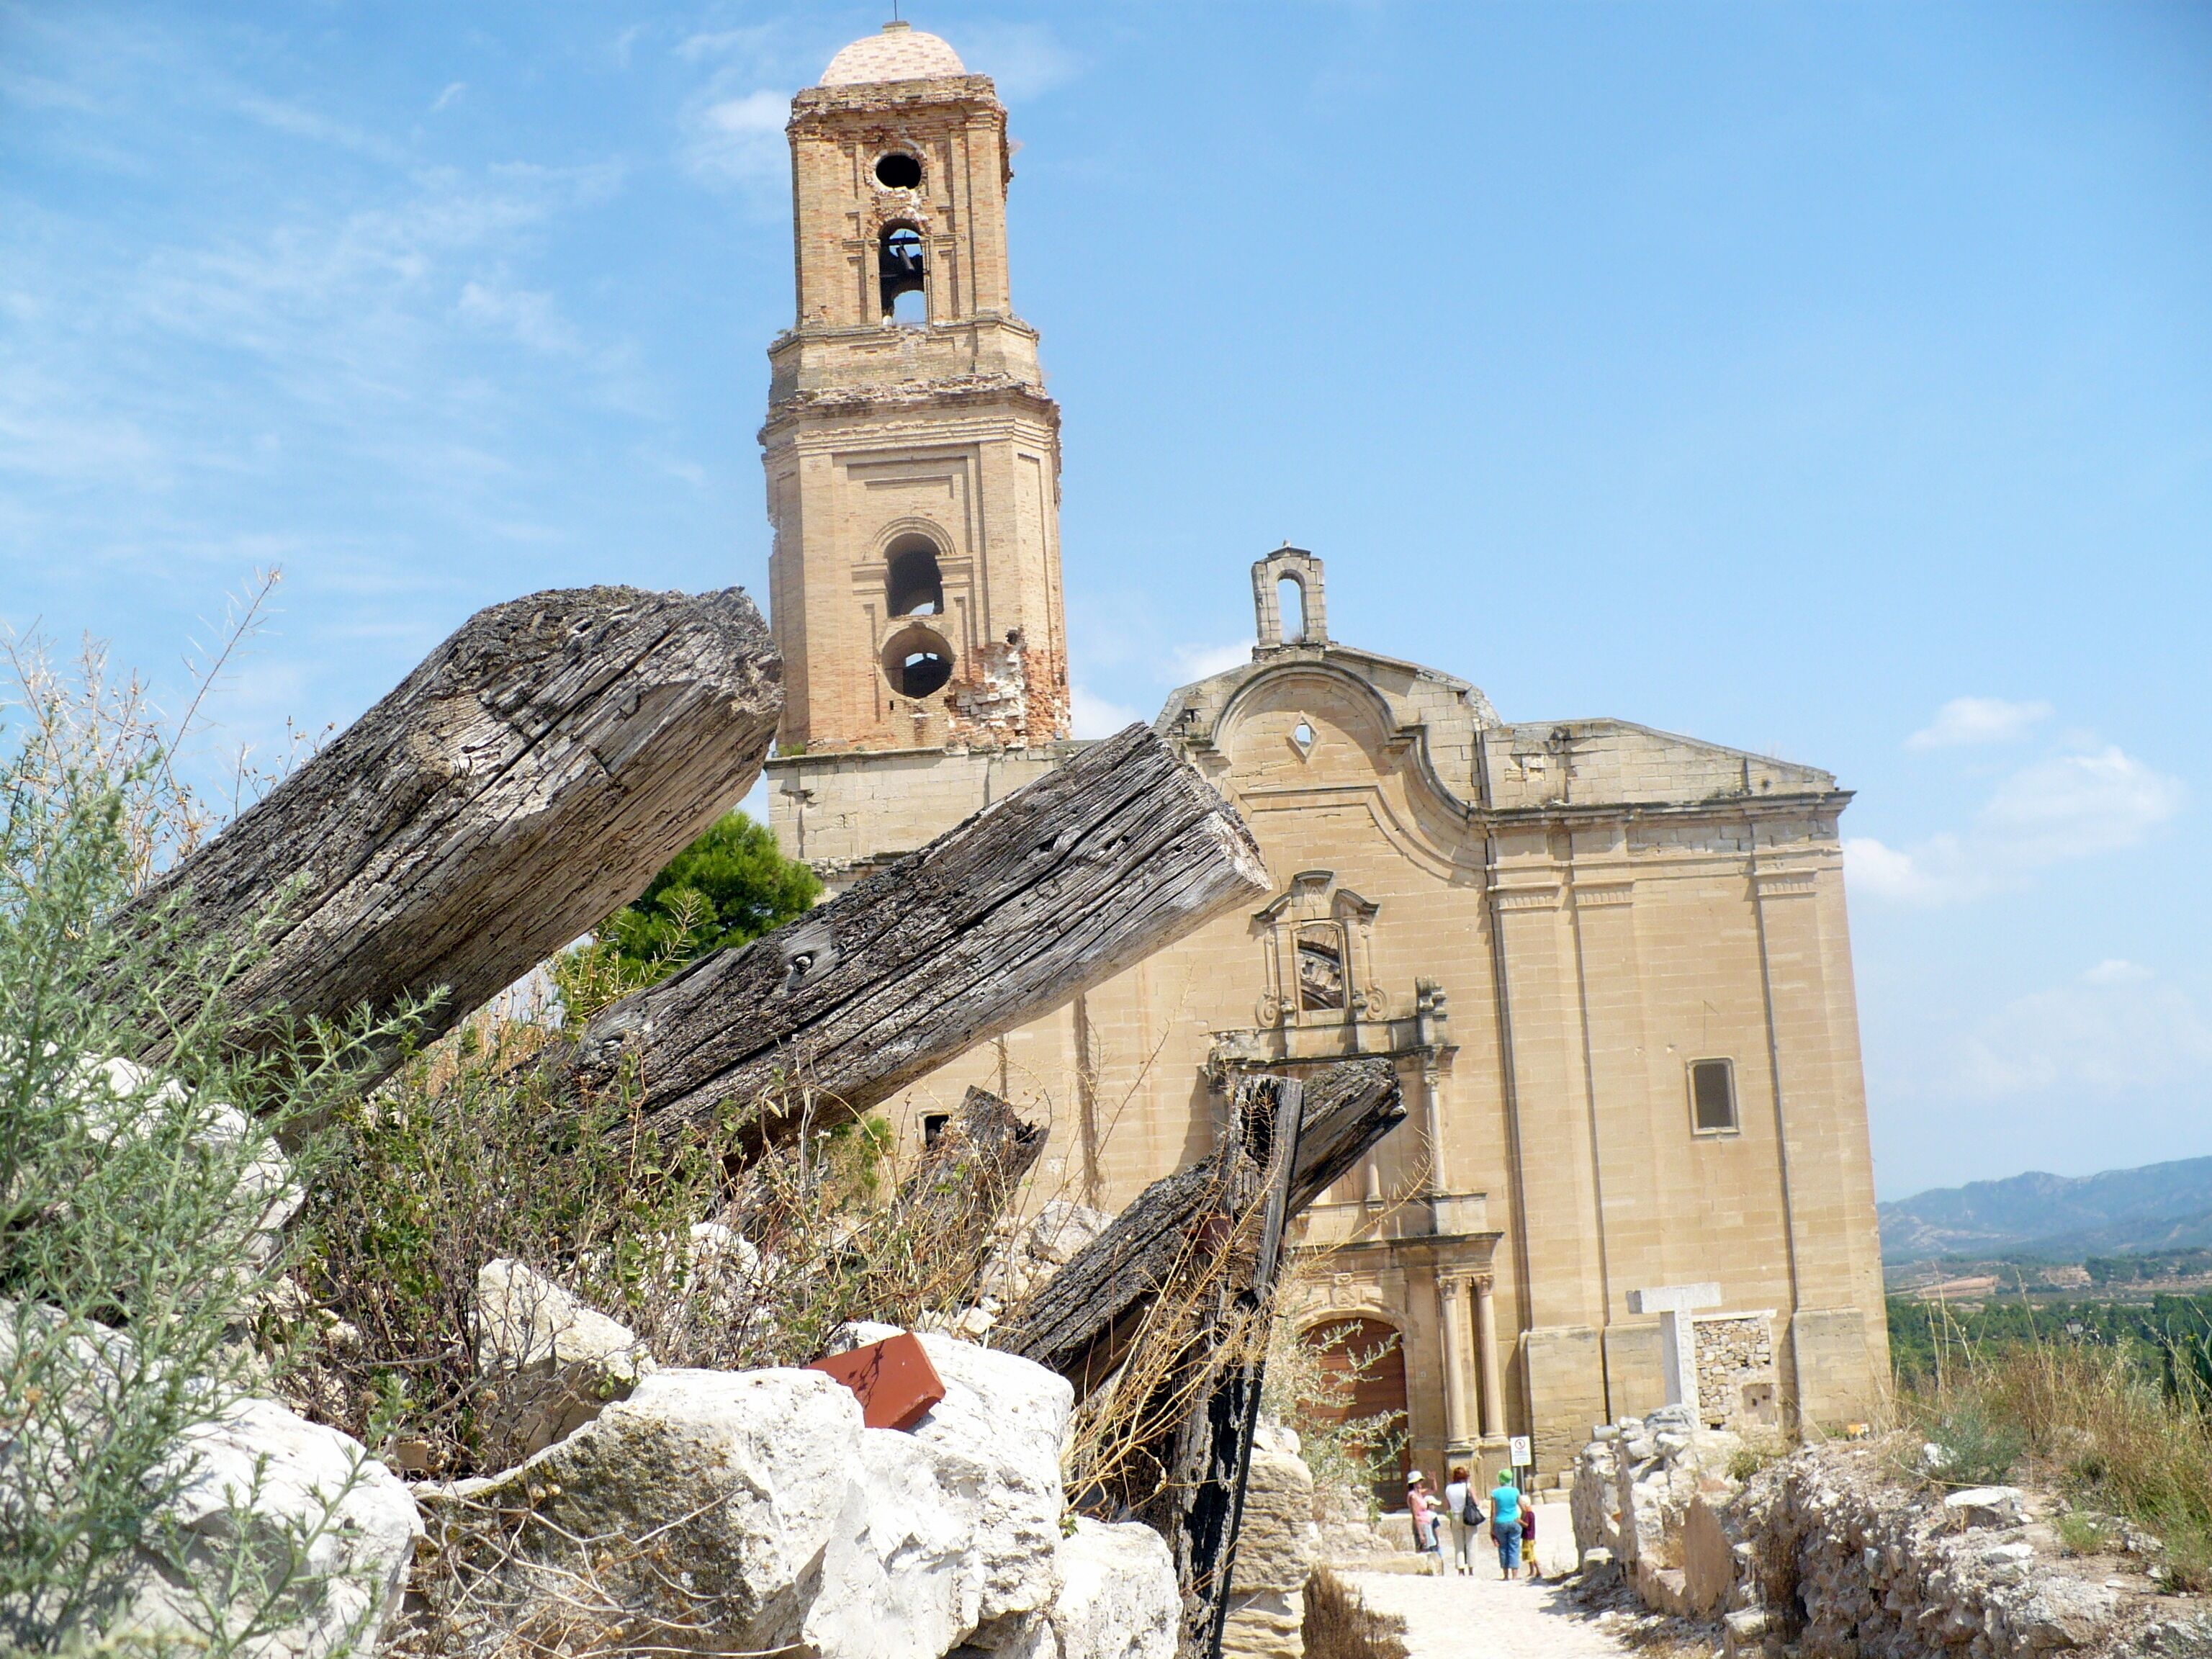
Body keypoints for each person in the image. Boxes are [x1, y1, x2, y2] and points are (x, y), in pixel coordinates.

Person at [1488, 1467, 1524, 1578]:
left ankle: (1505, 1575)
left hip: (1500, 1522)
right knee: (1514, 1547)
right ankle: (1515, 1575)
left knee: (1503, 1548)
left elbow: (1493, 1511)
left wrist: (1491, 1528)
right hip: (1514, 1521)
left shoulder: (1495, 1493)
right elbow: (1523, 1507)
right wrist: (1521, 1520)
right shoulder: (1515, 1491)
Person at [1443, 1465, 1476, 1575]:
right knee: (1471, 1542)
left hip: (1455, 1516)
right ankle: (1471, 1569)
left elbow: (1446, 1506)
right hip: (1468, 1516)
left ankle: (1461, 1570)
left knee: (1458, 1544)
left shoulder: (1449, 1489)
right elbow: (1477, 1502)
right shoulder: (1468, 1487)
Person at [1520, 1489, 1539, 1580]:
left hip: (1528, 1537)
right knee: (1531, 1555)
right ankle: (1533, 1571)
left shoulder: (1528, 1514)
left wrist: (1519, 1521)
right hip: (1531, 1537)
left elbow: (1526, 1525)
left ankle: (1536, 1570)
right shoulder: (1532, 1514)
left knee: (1531, 1555)